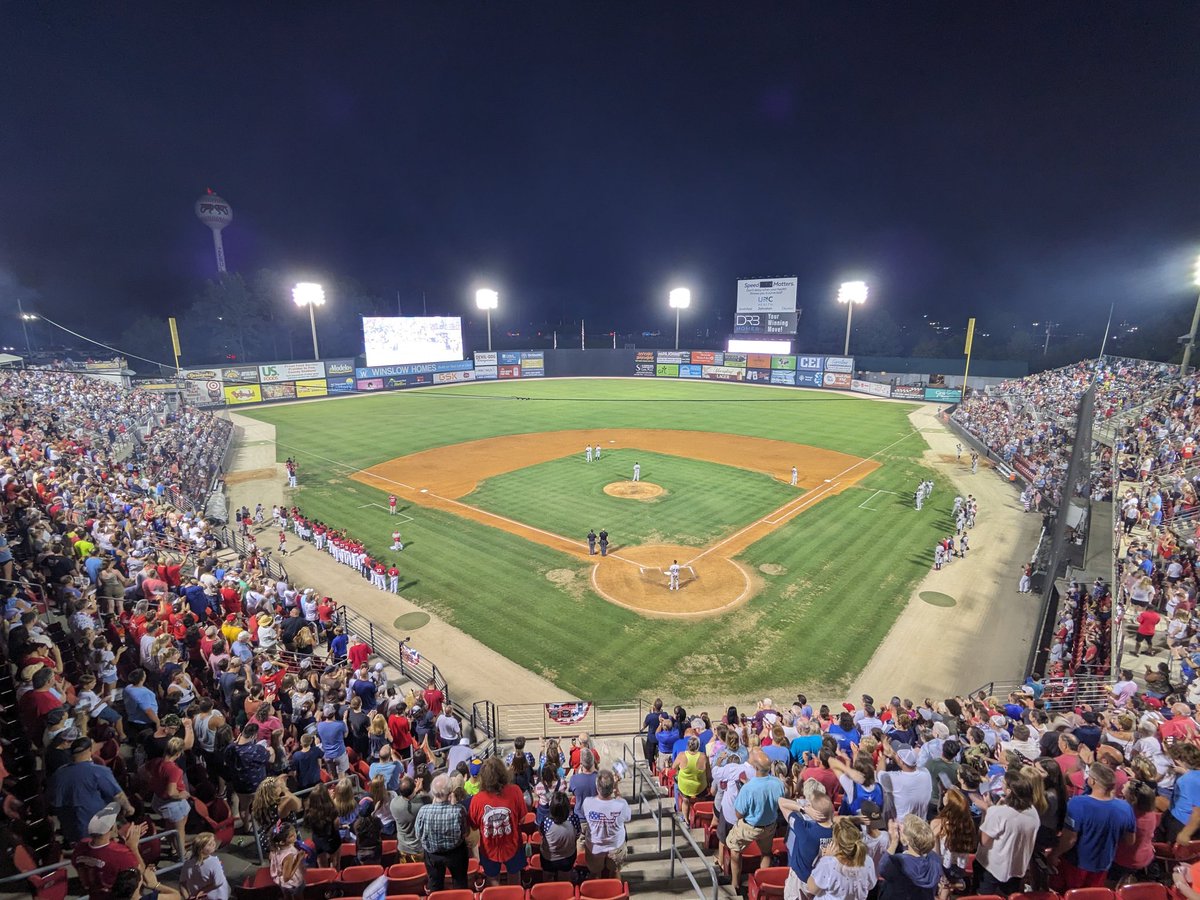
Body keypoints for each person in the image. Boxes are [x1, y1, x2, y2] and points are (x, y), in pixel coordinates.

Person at [1052, 762, 1137, 889]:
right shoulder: (1125, 808)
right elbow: (1130, 841)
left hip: (1075, 864)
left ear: (1093, 781)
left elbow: (1069, 839)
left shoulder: (1077, 804)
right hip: (1103, 864)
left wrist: (1054, 854)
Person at [975, 770, 1041, 895]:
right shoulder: (1033, 811)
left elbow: (983, 841)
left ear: (1009, 791)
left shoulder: (999, 813)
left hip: (992, 868)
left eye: (1003, 782)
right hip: (1017, 868)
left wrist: (988, 811)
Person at [727, 749, 786, 887]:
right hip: (769, 826)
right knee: (766, 853)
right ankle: (763, 882)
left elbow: (738, 814)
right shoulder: (778, 783)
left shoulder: (748, 788)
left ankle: (735, 883)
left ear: (755, 768)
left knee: (734, 849)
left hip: (749, 827)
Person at [469, 756, 528, 885]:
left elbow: (473, 826)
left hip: (489, 847)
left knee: (493, 878)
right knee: (514, 875)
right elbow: (523, 819)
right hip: (512, 843)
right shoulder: (515, 791)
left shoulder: (476, 800)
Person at [415, 773, 470, 892]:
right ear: (450, 792)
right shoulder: (459, 810)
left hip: (432, 855)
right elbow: (466, 833)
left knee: (435, 885)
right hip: (456, 853)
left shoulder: (423, 811)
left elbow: (418, 834)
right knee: (460, 883)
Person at [778, 791, 834, 900]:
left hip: (801, 881)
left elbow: (781, 802)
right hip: (824, 882)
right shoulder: (840, 832)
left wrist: (803, 809)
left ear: (815, 813)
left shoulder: (805, 829)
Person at [805, 817, 877, 900]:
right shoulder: (867, 861)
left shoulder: (828, 863)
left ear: (836, 843)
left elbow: (812, 889)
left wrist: (824, 858)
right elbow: (871, 885)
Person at [579, 768, 632, 879]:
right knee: (615, 872)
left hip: (595, 847)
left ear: (597, 787)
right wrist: (616, 788)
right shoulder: (621, 804)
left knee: (594, 873)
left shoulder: (587, 802)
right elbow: (627, 817)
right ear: (612, 788)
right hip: (616, 847)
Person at [878, 815, 942, 900]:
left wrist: (894, 842)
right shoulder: (935, 860)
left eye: (902, 830)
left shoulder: (898, 862)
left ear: (907, 839)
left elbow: (883, 868)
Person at [540, 791, 582, 881]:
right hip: (567, 857)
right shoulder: (574, 819)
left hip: (549, 858)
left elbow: (541, 834)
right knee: (565, 879)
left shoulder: (546, 821)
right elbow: (577, 835)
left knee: (547, 878)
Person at [181, 832, 231, 900]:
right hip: (217, 896)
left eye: (213, 841)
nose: (214, 844)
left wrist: (187, 897)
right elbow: (219, 882)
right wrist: (202, 891)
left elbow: (182, 883)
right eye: (210, 844)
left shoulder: (187, 864)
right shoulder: (214, 862)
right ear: (201, 850)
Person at [674, 734, 710, 823]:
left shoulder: (681, 755)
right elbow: (708, 774)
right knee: (701, 798)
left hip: (685, 787)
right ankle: (700, 818)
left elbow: (673, 767)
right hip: (700, 788)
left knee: (685, 800)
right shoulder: (703, 756)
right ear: (698, 746)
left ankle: (686, 820)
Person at [268, 822, 306, 900]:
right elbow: (286, 877)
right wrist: (298, 859)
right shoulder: (288, 856)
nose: (295, 835)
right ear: (282, 842)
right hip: (293, 883)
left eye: (294, 832)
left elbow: (271, 860)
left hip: (282, 882)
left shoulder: (275, 848)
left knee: (287, 895)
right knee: (298, 896)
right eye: (291, 836)